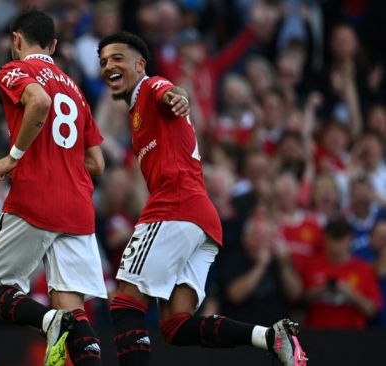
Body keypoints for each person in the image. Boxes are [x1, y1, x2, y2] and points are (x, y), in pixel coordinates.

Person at [97, 31, 307, 366]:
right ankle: (268, 337)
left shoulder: (151, 88)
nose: (109, 65)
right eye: (104, 61)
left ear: (140, 64)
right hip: (201, 219)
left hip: (174, 207)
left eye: (117, 58)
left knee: (124, 305)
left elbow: (171, 93)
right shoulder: (137, 116)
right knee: (175, 325)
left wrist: (179, 98)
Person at [0, 9, 107, 366]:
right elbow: (98, 163)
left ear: (16, 40)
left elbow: (41, 102)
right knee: (75, 310)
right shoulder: (75, 89)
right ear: (55, 45)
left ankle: (49, 320)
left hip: (35, 199)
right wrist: (60, 161)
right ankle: (63, 322)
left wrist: (14, 156)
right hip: (78, 206)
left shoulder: (15, 69)